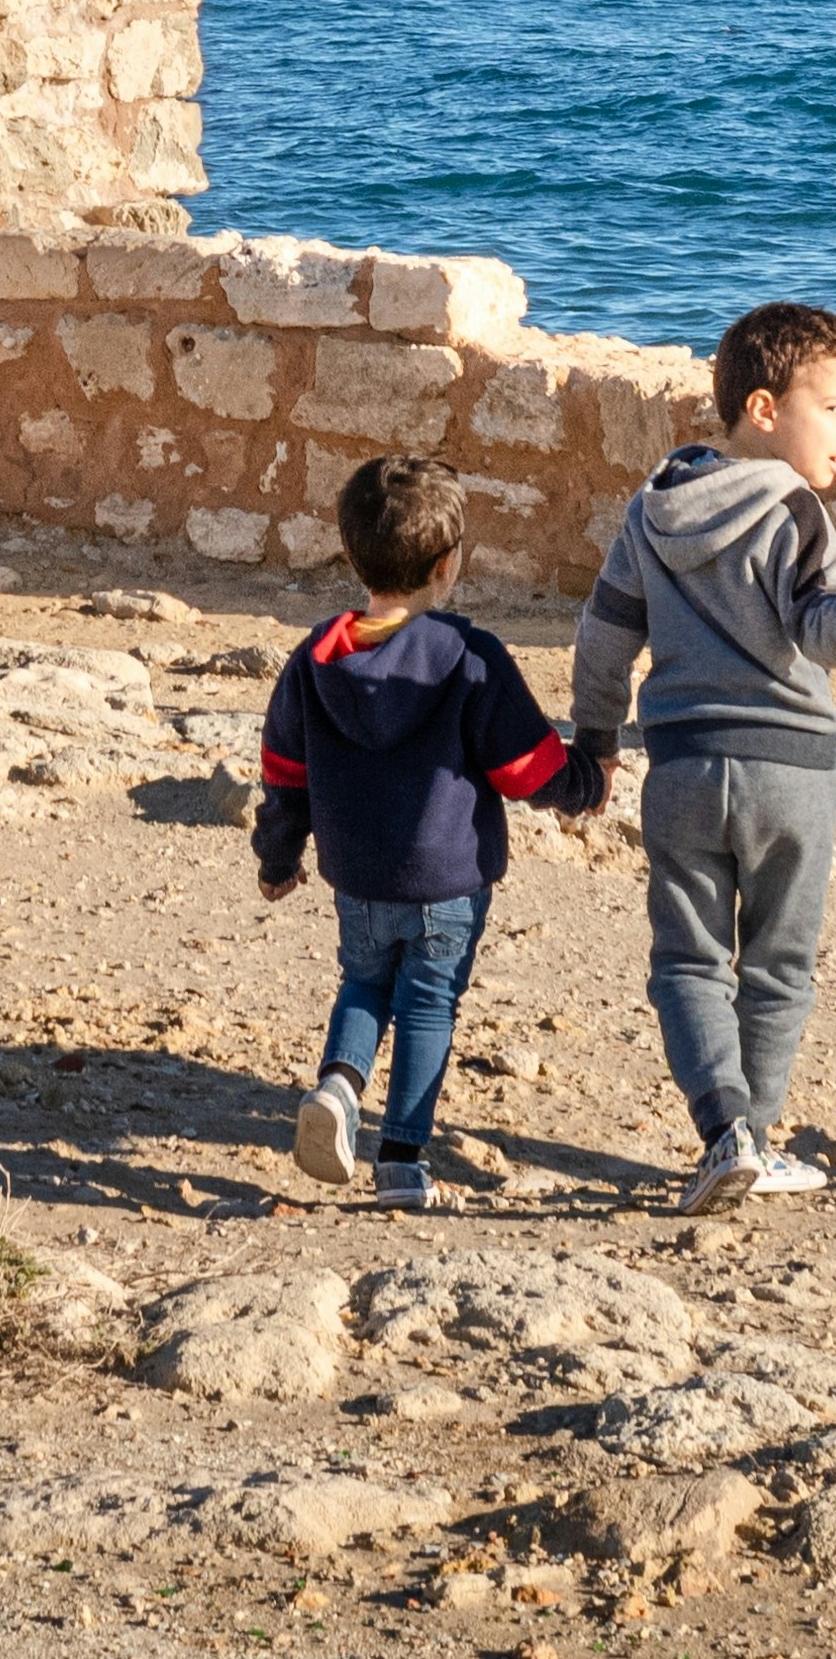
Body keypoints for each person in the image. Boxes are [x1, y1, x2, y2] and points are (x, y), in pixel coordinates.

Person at [562, 297, 836, 1215]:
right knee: (778, 967)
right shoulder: (796, 512)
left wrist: (595, 739)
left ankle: (722, 1132)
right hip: (790, 775)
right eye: (835, 409)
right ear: (762, 410)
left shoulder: (652, 508)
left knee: (688, 963)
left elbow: (603, 637)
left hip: (683, 769)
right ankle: (757, 1137)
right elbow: (829, 638)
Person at [249, 456, 576, 1211]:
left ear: (351, 552)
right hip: (447, 881)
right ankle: (401, 1160)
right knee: (429, 1003)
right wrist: (584, 783)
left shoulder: (314, 660)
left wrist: (278, 857)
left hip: (357, 873)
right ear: (447, 564)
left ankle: (338, 1086)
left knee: (364, 983)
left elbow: (283, 774)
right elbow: (526, 765)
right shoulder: (468, 658)